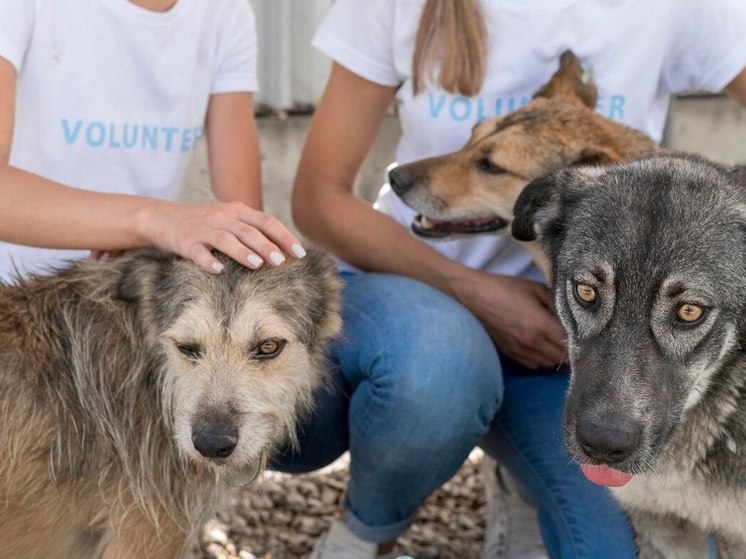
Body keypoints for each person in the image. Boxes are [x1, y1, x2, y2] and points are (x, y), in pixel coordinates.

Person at [270, 1, 746, 558]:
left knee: (611, 547)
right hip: (416, 309)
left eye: (490, 166)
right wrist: (473, 291)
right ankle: (365, 533)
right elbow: (316, 197)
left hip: (562, 343)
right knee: (435, 370)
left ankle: (521, 478)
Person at [0, 0, 305, 283]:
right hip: (14, 299)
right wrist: (152, 223)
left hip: (128, 301)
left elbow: (241, 224)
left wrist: (161, 234)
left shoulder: (224, 11)